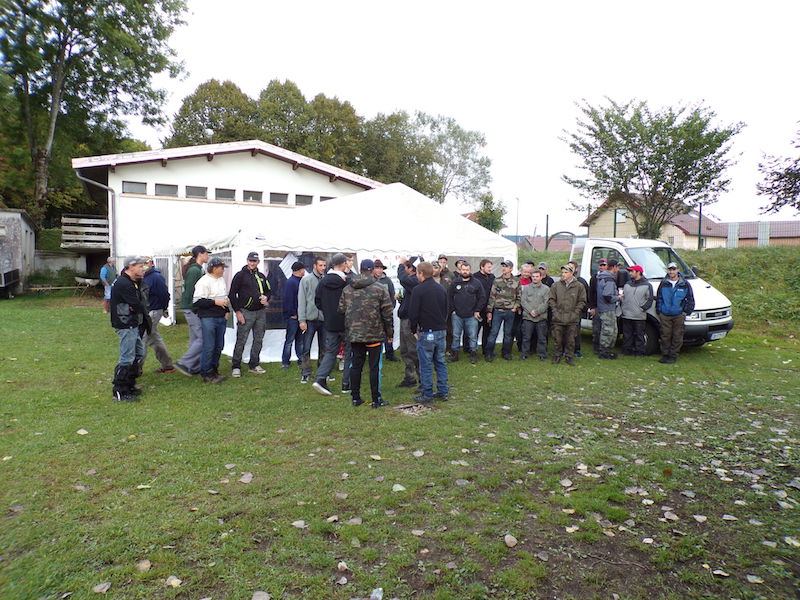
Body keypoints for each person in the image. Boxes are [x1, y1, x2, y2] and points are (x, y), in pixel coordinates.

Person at [339, 259, 394, 408]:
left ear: (360, 269)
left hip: (355, 334)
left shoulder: (347, 289)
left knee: (356, 365)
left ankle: (355, 397)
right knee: (374, 367)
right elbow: (387, 313)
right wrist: (389, 333)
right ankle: (376, 399)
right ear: (372, 270)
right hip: (374, 334)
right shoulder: (380, 288)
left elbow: (341, 309)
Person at [407, 261, 449, 404]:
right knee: (440, 362)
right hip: (441, 330)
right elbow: (446, 309)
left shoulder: (418, 290)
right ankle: (443, 391)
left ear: (421, 273)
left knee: (425, 364)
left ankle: (427, 394)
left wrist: (414, 329)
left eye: (417, 273)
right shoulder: (441, 288)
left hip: (426, 331)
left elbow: (413, 313)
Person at [109, 256, 149, 401]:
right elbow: (137, 304)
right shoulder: (124, 283)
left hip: (131, 322)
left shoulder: (131, 282)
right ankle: (120, 391)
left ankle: (130, 385)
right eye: (140, 266)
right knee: (127, 357)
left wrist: (136, 306)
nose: (143, 269)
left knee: (138, 353)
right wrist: (136, 306)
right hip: (125, 323)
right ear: (130, 267)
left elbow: (136, 304)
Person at [312, 253, 350, 395]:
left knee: (330, 352)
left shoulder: (322, 281)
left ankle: (320, 378)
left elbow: (317, 301)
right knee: (349, 352)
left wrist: (328, 312)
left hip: (330, 322)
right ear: (343, 264)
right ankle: (346, 384)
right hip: (346, 322)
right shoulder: (346, 282)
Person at [229, 251, 271, 377]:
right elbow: (232, 294)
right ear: (247, 261)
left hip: (260, 312)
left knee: (258, 339)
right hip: (246, 312)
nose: (252, 263)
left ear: (258, 262)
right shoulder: (240, 275)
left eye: (254, 261)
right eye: (250, 261)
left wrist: (266, 298)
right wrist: (238, 312)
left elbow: (269, 291)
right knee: (241, 340)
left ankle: (254, 364)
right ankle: (236, 366)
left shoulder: (262, 276)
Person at [193, 256, 229, 383]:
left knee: (219, 346)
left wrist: (226, 310)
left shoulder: (221, 280)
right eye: (221, 268)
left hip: (221, 317)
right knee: (209, 346)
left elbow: (224, 297)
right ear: (214, 268)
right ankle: (206, 372)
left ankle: (214, 370)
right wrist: (215, 302)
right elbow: (197, 301)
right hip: (208, 317)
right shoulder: (203, 282)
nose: (223, 270)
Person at [175, 245, 210, 377]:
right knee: (203, 338)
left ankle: (194, 366)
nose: (208, 256)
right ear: (200, 254)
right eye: (206, 253)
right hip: (191, 308)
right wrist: (195, 308)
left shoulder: (198, 269)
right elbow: (190, 290)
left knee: (195, 338)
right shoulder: (195, 270)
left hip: (191, 308)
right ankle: (184, 362)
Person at [655, 262, 695, 364]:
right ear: (667, 270)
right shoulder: (663, 283)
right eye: (670, 270)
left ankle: (673, 355)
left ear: (678, 270)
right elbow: (659, 298)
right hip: (665, 314)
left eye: (673, 269)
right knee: (665, 335)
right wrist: (659, 310)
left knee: (677, 336)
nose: (671, 272)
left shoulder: (685, 284)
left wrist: (686, 311)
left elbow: (690, 299)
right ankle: (665, 355)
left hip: (678, 315)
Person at [548, 264, 587, 365]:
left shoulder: (579, 286)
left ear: (571, 273)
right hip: (558, 317)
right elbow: (551, 299)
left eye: (566, 272)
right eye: (562, 272)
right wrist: (555, 311)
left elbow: (582, 301)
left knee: (571, 340)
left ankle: (569, 357)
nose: (563, 274)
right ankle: (557, 356)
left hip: (572, 318)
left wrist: (576, 312)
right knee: (557, 339)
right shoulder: (556, 285)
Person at [142, 257, 175, 374]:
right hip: (148, 310)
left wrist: (163, 308)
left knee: (143, 337)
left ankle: (135, 368)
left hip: (154, 310)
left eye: (146, 262)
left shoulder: (156, 277)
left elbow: (164, 294)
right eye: (141, 263)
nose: (143, 265)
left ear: (151, 263)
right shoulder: (144, 276)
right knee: (154, 338)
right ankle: (168, 365)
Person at [447, 261, 484, 364]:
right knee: (456, 336)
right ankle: (455, 354)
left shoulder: (476, 283)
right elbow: (449, 297)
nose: (465, 271)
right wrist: (453, 310)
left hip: (472, 315)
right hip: (457, 315)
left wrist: (477, 310)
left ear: (470, 270)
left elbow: (482, 297)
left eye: (467, 270)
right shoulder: (455, 282)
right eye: (463, 270)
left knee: (472, 336)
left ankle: (473, 354)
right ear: (460, 270)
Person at [298, 256, 327, 384]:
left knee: (324, 347)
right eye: (320, 265)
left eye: (324, 265)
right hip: (310, 319)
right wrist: (302, 320)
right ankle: (305, 372)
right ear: (315, 265)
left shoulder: (326, 280)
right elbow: (301, 300)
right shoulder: (306, 280)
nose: (323, 268)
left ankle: (322, 373)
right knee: (306, 347)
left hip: (324, 319)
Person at [484, 260, 520, 361]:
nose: (504, 268)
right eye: (503, 266)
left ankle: (506, 353)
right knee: (493, 332)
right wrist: (489, 311)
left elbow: (519, 296)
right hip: (498, 311)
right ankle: (489, 353)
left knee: (508, 333)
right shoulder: (497, 280)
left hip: (510, 311)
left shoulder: (516, 281)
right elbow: (492, 296)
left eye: (506, 266)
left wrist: (515, 308)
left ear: (511, 269)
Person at [396, 257, 421, 388]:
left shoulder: (415, 280)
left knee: (413, 350)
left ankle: (423, 379)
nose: (404, 269)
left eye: (406, 267)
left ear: (411, 268)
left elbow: (403, 279)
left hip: (411, 320)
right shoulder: (412, 281)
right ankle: (409, 377)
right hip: (405, 318)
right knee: (405, 350)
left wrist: (400, 264)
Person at [621, 265, 654, 357]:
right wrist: (623, 307)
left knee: (639, 335)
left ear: (638, 272)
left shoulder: (647, 285)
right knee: (627, 335)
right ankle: (626, 351)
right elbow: (623, 296)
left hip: (639, 315)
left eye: (632, 271)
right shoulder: (627, 284)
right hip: (626, 314)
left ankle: (639, 352)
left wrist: (642, 308)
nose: (630, 273)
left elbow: (650, 299)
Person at [520, 270, 550, 360]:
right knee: (526, 337)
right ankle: (524, 354)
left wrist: (537, 312)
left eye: (537, 276)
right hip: (528, 317)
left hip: (541, 318)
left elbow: (546, 302)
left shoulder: (546, 289)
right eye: (533, 276)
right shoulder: (526, 288)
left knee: (542, 338)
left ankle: (542, 355)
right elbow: (523, 301)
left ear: (541, 277)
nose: (535, 278)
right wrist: (530, 311)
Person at [281, 261, 306, 370]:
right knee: (290, 340)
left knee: (299, 340)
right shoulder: (291, 282)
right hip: (293, 317)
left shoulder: (301, 281)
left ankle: (300, 359)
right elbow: (288, 299)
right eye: (303, 269)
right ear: (300, 270)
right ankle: (285, 362)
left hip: (300, 316)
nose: (304, 271)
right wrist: (292, 313)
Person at [373, 259, 398, 362]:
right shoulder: (371, 281)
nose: (379, 270)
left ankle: (390, 354)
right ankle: (376, 355)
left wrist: (391, 307)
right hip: (374, 313)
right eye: (377, 268)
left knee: (389, 332)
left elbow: (392, 294)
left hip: (386, 312)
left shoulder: (387, 281)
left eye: (381, 268)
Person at [596, 258, 621, 359]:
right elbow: (607, 296)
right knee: (608, 331)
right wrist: (618, 297)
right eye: (618, 267)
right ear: (614, 267)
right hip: (607, 309)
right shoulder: (609, 280)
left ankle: (607, 351)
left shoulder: (602, 277)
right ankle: (604, 352)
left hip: (603, 308)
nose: (618, 270)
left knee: (610, 330)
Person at [568, 260, 590, 358]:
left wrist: (580, 309)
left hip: (576, 311)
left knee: (575, 331)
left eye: (572, 267)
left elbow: (585, 297)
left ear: (576, 269)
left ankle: (576, 350)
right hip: (565, 311)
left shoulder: (581, 282)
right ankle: (565, 349)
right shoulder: (563, 281)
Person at [473, 259, 495, 351]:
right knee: (475, 331)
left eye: (491, 267)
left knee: (487, 330)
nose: (490, 269)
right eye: (488, 267)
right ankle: (472, 350)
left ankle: (485, 350)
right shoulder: (474, 277)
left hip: (489, 309)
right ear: (482, 267)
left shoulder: (492, 277)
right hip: (477, 309)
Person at [588, 258, 608, 354]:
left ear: (607, 266)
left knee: (606, 328)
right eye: (600, 265)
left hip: (607, 307)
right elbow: (591, 293)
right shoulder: (594, 278)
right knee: (596, 328)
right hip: (596, 307)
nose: (602, 267)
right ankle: (596, 347)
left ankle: (604, 347)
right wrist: (592, 307)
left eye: (604, 265)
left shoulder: (610, 277)